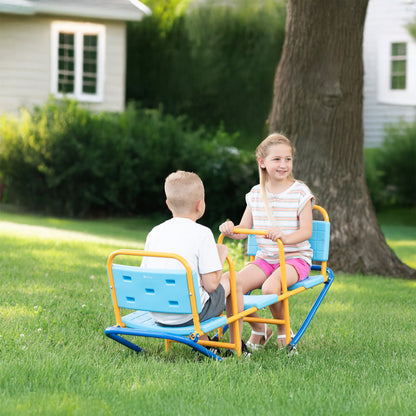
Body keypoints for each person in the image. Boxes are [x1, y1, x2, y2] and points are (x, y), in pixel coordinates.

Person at [219, 133, 314, 351]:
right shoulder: (254, 194)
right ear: (262, 162)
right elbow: (243, 231)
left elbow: (307, 231)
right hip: (266, 260)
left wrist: (285, 237)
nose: (283, 165)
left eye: (288, 159)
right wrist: (230, 228)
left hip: (294, 259)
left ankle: (283, 331)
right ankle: (260, 328)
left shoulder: (300, 192)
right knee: (230, 282)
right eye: (277, 159)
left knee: (270, 288)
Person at [141, 170, 248, 355]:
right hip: (188, 314)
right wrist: (220, 255)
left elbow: (148, 276)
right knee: (234, 278)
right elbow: (212, 285)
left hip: (157, 311)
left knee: (194, 290)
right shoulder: (203, 233)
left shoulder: (155, 232)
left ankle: (204, 343)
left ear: (168, 204)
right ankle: (236, 345)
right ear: (201, 205)